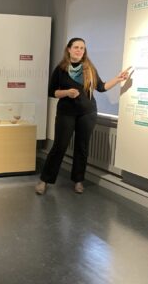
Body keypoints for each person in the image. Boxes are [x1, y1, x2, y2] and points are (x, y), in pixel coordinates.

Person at [35, 37, 130, 195]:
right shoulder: (61, 69)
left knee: (82, 147)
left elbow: (101, 87)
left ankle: (78, 181)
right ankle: (44, 180)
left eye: (82, 48)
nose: (79, 50)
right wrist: (66, 93)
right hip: (66, 113)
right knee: (59, 146)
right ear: (69, 49)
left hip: (88, 113)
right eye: (76, 47)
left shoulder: (89, 69)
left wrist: (118, 79)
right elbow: (52, 92)